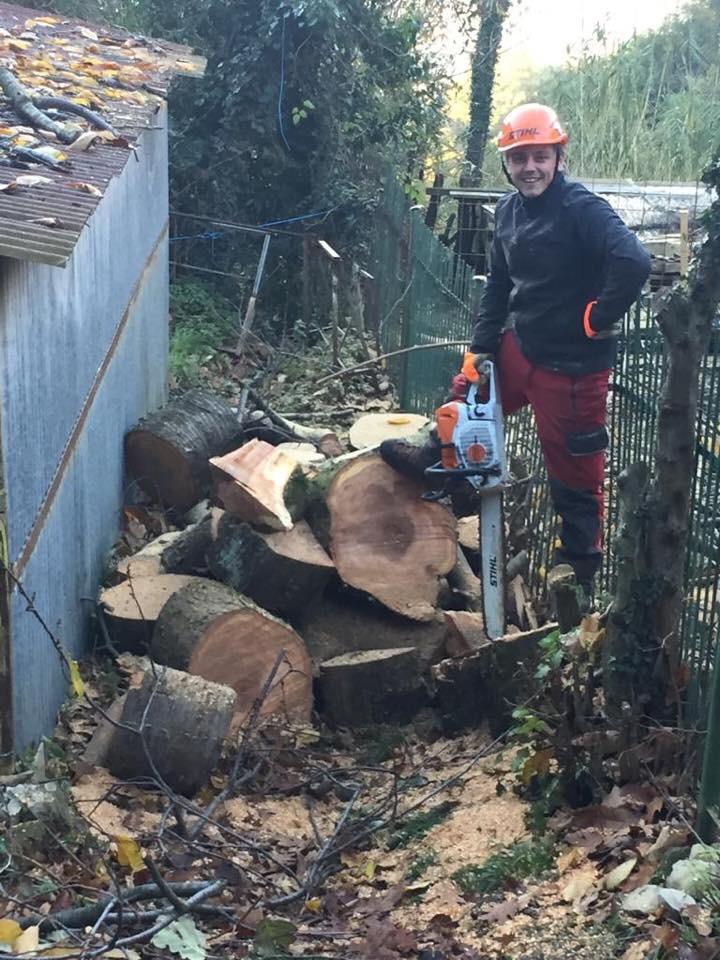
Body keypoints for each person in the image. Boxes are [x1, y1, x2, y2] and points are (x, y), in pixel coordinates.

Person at [381, 103, 651, 601]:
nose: (530, 167)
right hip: (522, 346)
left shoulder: (581, 209)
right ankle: (443, 464)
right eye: (519, 157)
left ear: (558, 157)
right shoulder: (508, 211)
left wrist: (596, 317)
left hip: (572, 369)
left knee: (575, 474)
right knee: (466, 395)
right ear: (506, 162)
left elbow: (634, 260)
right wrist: (481, 347)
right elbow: (499, 285)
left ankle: (579, 574)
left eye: (540, 157)